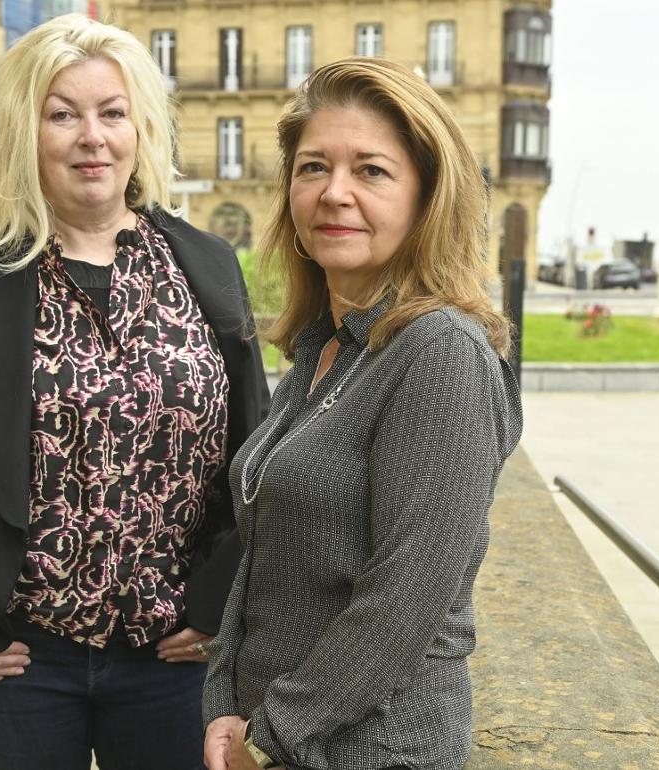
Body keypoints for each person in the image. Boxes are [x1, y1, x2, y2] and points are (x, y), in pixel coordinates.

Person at [0, 14, 269, 770]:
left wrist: (219, 601)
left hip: (174, 657)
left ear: (140, 128)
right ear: (25, 131)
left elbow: (257, 457)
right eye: (62, 115)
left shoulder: (207, 265)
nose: (92, 137)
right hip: (15, 661)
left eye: (112, 113)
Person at [202, 58, 524, 770]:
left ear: (426, 198)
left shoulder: (440, 350)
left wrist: (267, 737)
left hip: (377, 748)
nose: (334, 193)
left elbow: (408, 596)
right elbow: (264, 556)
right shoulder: (325, 346)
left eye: (371, 171)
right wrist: (223, 696)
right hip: (278, 735)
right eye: (313, 167)